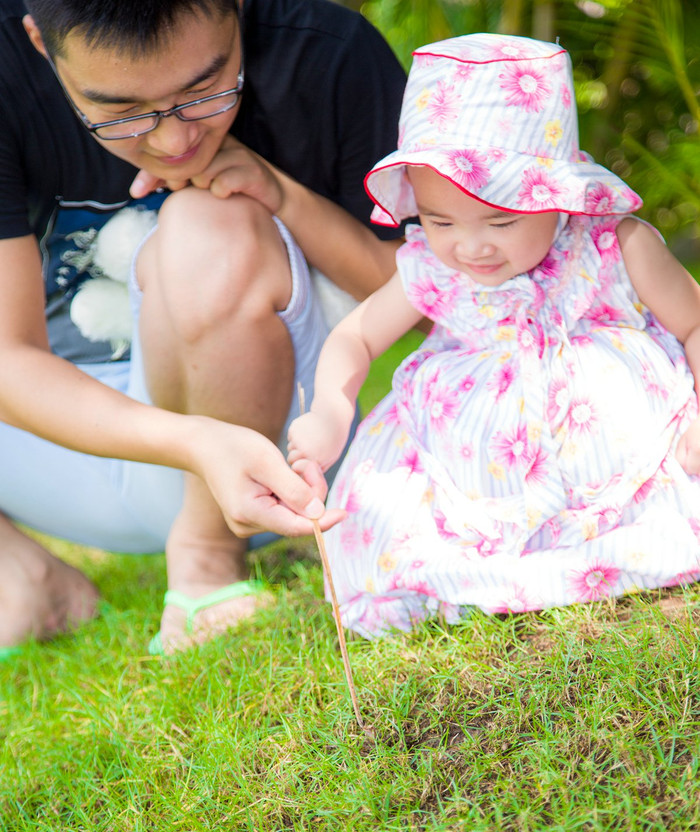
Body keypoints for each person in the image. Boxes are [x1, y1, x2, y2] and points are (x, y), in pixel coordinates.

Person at [0, 0, 406, 654]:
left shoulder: (325, 51)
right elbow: (8, 364)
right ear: (40, 44)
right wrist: (192, 442)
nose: (173, 141)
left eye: (205, 90)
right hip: (71, 449)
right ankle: (21, 579)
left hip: (273, 456)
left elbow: (423, 295)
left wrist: (279, 195)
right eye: (122, 112)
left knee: (209, 225)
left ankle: (207, 560)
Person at [288, 33, 700, 639]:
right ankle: (463, 576)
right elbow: (357, 338)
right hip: (466, 454)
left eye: (501, 220)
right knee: (394, 508)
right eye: (439, 218)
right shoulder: (433, 264)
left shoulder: (617, 247)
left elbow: (693, 320)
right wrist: (329, 408)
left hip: (614, 447)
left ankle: (619, 550)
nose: (470, 246)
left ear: (557, 198)